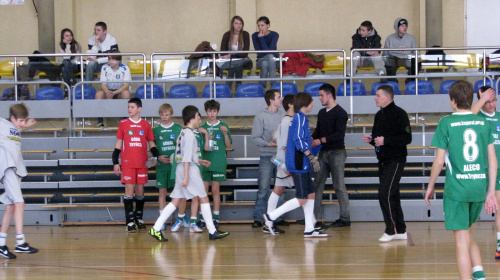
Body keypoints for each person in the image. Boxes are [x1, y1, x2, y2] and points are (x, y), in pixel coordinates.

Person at [425, 80, 498, 280]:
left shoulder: (446, 123)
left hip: (457, 189)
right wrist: (490, 192)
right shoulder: (483, 122)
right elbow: (493, 160)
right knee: (467, 234)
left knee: (460, 241)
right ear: (471, 99)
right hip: (479, 187)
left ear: (452, 101)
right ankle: (479, 273)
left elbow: (439, 161)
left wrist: (430, 186)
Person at [148, 105, 230, 242]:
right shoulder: (191, 134)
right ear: (192, 118)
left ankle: (155, 228)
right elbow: (186, 157)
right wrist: (187, 176)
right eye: (198, 116)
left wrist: (199, 160)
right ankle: (212, 231)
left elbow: (185, 155)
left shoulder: (182, 132)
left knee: (175, 200)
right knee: (203, 197)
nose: (199, 119)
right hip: (188, 169)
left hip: (181, 167)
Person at [263, 92, 327, 238]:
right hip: (297, 163)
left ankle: (309, 228)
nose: (313, 104)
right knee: (302, 197)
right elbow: (298, 141)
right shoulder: (297, 119)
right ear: (304, 104)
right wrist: (310, 156)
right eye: (311, 102)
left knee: (310, 193)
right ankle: (272, 216)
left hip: (300, 162)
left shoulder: (301, 118)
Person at [362, 85, 412, 242]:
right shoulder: (378, 115)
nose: (375, 98)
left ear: (387, 97)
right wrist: (373, 140)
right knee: (393, 195)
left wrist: (386, 140)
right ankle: (401, 229)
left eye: (378, 95)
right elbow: (379, 140)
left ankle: (391, 230)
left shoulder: (400, 114)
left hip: (395, 160)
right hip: (382, 160)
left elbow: (406, 138)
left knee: (384, 193)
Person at [112, 98, 158, 232]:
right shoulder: (123, 123)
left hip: (142, 163)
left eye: (132, 107)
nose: (129, 109)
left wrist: (155, 157)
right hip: (128, 164)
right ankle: (129, 222)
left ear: (139, 109)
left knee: (140, 192)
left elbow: (152, 144)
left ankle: (139, 218)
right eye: (128, 107)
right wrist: (115, 162)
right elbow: (118, 145)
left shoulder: (146, 125)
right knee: (129, 192)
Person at [0, 103, 39, 259]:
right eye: (20, 121)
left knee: (10, 207)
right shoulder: (2, 124)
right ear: (12, 118)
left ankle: (1, 244)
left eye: (24, 121)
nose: (22, 124)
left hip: (15, 169)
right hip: (7, 168)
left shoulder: (16, 129)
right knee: (19, 203)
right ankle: (20, 242)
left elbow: (17, 130)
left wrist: (25, 126)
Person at [311, 83, 350, 229]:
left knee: (338, 185)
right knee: (318, 183)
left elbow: (339, 135)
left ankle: (345, 217)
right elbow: (318, 132)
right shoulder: (322, 113)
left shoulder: (341, 113)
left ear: (329, 95)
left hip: (337, 152)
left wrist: (319, 140)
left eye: (321, 95)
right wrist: (310, 139)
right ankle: (312, 217)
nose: (319, 98)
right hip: (324, 152)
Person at [470, 85, 500, 260]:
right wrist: (481, 100)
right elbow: (465, 117)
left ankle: (499, 244)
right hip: (480, 172)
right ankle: (465, 241)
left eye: (494, 99)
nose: (491, 104)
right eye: (487, 101)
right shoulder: (476, 118)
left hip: (499, 171)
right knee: (473, 211)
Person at [251, 89, 285, 228]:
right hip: (266, 156)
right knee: (264, 188)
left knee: (281, 187)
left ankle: (278, 217)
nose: (281, 99)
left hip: (280, 157)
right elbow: (255, 137)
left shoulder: (284, 116)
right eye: (278, 97)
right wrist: (268, 143)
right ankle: (259, 217)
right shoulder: (260, 117)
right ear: (271, 100)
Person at [264, 94, 295, 234]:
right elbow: (285, 145)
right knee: (305, 193)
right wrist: (287, 164)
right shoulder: (287, 121)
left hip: (284, 161)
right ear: (291, 105)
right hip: (286, 162)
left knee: (278, 190)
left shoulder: (288, 120)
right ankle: (270, 219)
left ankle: (268, 222)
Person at [200, 99, 232, 229]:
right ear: (206, 112)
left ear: (217, 112)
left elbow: (228, 145)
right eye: (209, 111)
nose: (212, 113)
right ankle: (202, 218)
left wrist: (224, 134)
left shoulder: (223, 126)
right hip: (205, 163)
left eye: (214, 111)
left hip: (218, 162)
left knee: (215, 191)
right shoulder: (202, 127)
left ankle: (216, 217)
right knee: (203, 192)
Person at [152, 103, 183, 231]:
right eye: (162, 115)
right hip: (161, 166)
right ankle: (162, 220)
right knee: (162, 192)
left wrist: (176, 159)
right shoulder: (155, 130)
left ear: (171, 114)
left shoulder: (178, 128)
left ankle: (181, 218)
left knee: (179, 193)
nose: (164, 117)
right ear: (159, 115)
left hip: (175, 166)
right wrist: (157, 157)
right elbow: (152, 148)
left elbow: (183, 146)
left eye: (167, 114)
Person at [95, 50, 131, 127]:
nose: (111, 61)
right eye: (109, 59)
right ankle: (100, 121)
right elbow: (103, 84)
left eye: (113, 59)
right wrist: (107, 92)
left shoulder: (125, 68)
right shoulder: (105, 68)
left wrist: (114, 93)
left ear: (119, 60)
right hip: (107, 91)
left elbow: (126, 85)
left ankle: (125, 120)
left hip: (119, 92)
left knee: (126, 93)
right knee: (99, 94)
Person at [219, 15, 253, 91]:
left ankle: (227, 87)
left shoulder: (245, 34)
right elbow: (222, 52)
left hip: (243, 60)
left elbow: (245, 54)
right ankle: (238, 87)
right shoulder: (227, 35)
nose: (238, 25)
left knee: (237, 63)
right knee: (236, 64)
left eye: (240, 23)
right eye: (236, 23)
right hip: (230, 61)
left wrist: (231, 55)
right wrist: (229, 56)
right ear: (232, 24)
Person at [383, 18, 417, 84]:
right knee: (389, 65)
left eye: (405, 25)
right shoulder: (390, 38)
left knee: (416, 65)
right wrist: (387, 61)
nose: (405, 27)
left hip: (407, 59)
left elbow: (416, 52)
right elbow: (385, 54)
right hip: (394, 59)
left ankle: (410, 83)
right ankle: (393, 85)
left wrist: (413, 58)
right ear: (397, 27)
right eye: (402, 26)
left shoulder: (411, 38)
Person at [252, 16, 279, 88]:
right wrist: (260, 38)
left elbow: (269, 50)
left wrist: (261, 38)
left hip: (274, 61)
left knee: (266, 62)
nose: (260, 27)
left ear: (268, 25)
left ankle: (262, 87)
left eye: (262, 25)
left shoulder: (275, 35)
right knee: (269, 57)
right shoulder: (255, 36)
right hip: (261, 60)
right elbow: (259, 53)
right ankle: (273, 86)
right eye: (259, 25)